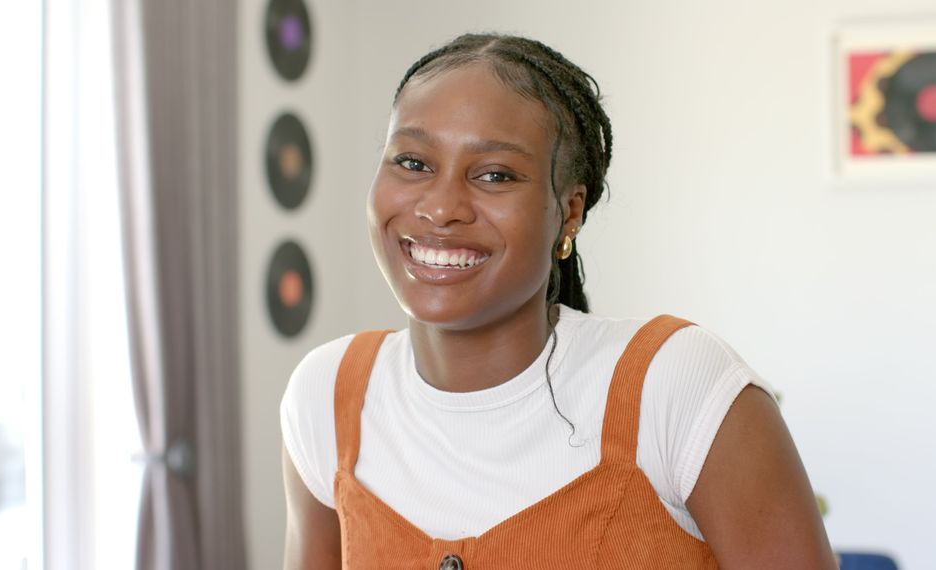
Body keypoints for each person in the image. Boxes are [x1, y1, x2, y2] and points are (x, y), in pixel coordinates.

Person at [281, 33, 836, 569]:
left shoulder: (678, 388)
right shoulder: (327, 396)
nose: (442, 207)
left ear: (568, 213)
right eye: (413, 163)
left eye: (495, 175)